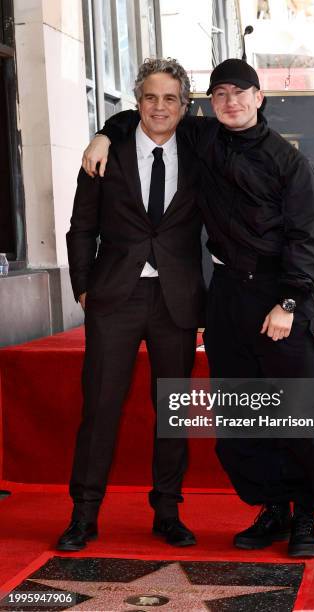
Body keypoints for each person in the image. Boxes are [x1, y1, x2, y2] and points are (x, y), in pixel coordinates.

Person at [82, 58, 314, 558]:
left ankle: (305, 517)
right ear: (209, 103)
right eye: (220, 94)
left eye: (241, 93)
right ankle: (272, 510)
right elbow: (151, 114)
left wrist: (289, 302)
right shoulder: (202, 138)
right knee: (241, 417)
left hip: (280, 298)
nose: (231, 102)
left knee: (295, 411)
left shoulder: (288, 161)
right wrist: (105, 134)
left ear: (260, 98)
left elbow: (308, 237)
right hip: (226, 298)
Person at [58, 58, 206, 552]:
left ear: (185, 106)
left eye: (170, 98)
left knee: (172, 411)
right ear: (136, 102)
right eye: (150, 97)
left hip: (176, 301)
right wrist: (83, 287)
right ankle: (83, 515)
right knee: (100, 407)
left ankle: (167, 511)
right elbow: (81, 226)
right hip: (113, 298)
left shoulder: (202, 149)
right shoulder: (107, 153)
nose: (159, 107)